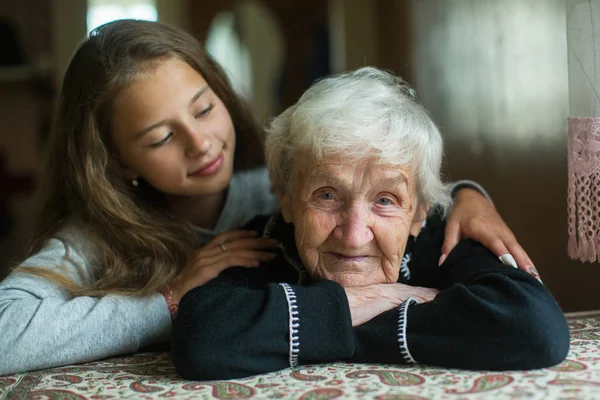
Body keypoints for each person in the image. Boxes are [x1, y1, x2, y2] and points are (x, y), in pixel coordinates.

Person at [0, 20, 535, 376]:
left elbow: (387, 186)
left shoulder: (274, 187)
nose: (201, 142)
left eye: (204, 109)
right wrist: (167, 298)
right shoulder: (96, 236)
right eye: (161, 138)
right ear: (116, 160)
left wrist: (467, 194)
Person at [171, 67, 569, 380]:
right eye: (327, 195)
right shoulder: (264, 243)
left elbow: (535, 328)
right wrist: (358, 303)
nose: (354, 233)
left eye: (385, 200)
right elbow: (202, 339)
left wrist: (300, 329)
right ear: (287, 198)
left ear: (419, 212)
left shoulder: (442, 237)